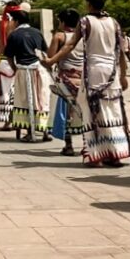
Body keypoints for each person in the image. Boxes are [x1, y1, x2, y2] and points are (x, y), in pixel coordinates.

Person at [72, 0, 130, 166]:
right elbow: (121, 51)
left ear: (88, 4)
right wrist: (123, 75)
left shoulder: (85, 21)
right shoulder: (114, 23)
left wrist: (51, 60)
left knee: (92, 111)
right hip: (112, 73)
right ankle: (115, 154)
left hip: (93, 72)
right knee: (113, 110)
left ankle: (96, 155)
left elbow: (70, 44)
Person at [43, 9, 88, 157]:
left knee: (67, 113)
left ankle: (69, 146)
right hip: (83, 78)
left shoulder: (59, 36)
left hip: (66, 78)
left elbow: (50, 56)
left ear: (62, 22)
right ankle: (86, 144)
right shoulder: (84, 36)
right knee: (84, 112)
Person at [5, 7, 51, 141]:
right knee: (41, 99)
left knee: (25, 101)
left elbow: (9, 56)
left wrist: (15, 69)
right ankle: (45, 131)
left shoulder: (14, 35)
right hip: (39, 70)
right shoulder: (37, 32)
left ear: (16, 21)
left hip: (23, 71)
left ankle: (30, 132)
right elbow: (45, 52)